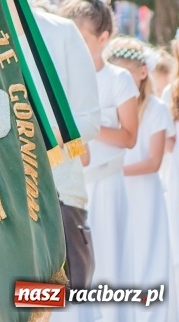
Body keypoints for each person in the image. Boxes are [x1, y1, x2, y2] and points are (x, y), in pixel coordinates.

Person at [0, 0, 101, 293]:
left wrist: (37, 140)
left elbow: (90, 119)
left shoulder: (60, 34)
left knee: (58, 306)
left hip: (57, 197)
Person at [61, 0, 138, 320]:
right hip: (76, 183)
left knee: (110, 267)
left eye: (82, 38)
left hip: (108, 185)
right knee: (78, 270)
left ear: (103, 39)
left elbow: (128, 137)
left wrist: (90, 124)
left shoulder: (118, 80)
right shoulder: (65, 76)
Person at [110, 37, 173, 322]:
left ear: (142, 73)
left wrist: (117, 170)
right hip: (117, 193)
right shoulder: (111, 109)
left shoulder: (157, 109)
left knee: (147, 256)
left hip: (145, 194)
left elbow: (153, 161)